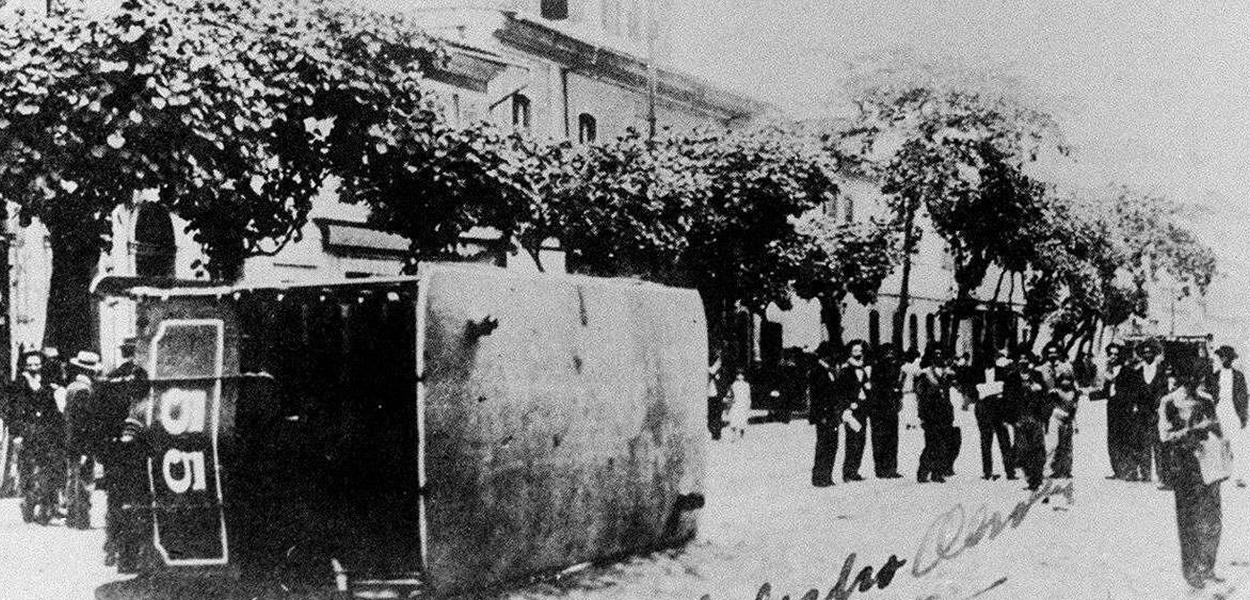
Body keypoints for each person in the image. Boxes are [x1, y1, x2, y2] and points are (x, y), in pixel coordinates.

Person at [1158, 359, 1226, 590]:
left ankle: (1207, 566)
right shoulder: (1169, 402)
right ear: (1181, 377)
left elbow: (1218, 431)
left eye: (1200, 377)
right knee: (1188, 521)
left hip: (1207, 466)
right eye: (1192, 376)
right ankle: (1191, 570)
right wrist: (1191, 431)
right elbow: (1165, 436)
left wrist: (1213, 430)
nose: (1196, 381)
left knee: (1212, 519)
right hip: (1183, 468)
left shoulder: (1206, 401)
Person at [96, 337, 149, 566]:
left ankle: (111, 547)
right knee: (135, 500)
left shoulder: (109, 378)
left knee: (115, 500)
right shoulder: (143, 377)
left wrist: (103, 451)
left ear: (123, 352)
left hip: (113, 450)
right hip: (135, 449)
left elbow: (98, 418)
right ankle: (131, 553)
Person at [5, 350, 66, 525]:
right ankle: (28, 505)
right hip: (27, 433)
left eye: (36, 364)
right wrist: (16, 434)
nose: (33, 367)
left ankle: (45, 510)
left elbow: (52, 407)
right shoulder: (18, 385)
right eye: (30, 364)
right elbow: (13, 411)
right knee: (27, 470)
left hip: (46, 434)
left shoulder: (47, 383)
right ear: (25, 366)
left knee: (47, 471)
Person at [63, 350, 103, 530]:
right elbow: (83, 422)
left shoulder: (71, 387)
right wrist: (87, 449)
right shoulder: (85, 391)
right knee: (84, 481)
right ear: (90, 371)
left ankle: (72, 517)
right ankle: (82, 519)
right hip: (81, 443)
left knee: (72, 478)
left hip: (71, 441)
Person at [1099, 341, 1145, 480]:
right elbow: (1105, 392)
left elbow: (1135, 390)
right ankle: (1118, 470)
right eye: (1110, 354)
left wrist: (1134, 405)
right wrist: (1086, 394)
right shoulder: (1108, 371)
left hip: (1125, 408)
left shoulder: (1128, 370)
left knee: (1126, 438)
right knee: (1113, 438)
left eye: (1115, 354)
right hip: (1112, 407)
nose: (1112, 357)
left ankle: (1130, 471)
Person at [1205, 345, 1248, 488]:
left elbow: (1243, 398)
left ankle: (1238, 476)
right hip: (1219, 409)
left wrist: (1243, 416)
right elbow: (1209, 395)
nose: (1222, 360)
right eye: (1220, 357)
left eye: (1224, 357)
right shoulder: (1215, 375)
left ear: (1229, 359)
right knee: (1219, 441)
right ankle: (1221, 474)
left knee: (1236, 443)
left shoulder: (1238, 376)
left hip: (1233, 410)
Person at [974, 349, 1017, 480]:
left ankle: (1010, 472)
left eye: (990, 359)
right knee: (986, 441)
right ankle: (987, 472)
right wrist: (994, 389)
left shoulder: (1001, 372)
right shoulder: (978, 373)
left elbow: (1005, 390)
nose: (988, 362)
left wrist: (986, 390)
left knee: (1004, 441)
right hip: (984, 409)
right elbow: (976, 391)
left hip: (999, 409)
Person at [916, 347, 955, 483]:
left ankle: (937, 472)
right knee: (931, 445)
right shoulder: (925, 375)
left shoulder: (946, 374)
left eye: (940, 355)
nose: (939, 358)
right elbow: (921, 397)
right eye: (935, 355)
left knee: (942, 445)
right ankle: (923, 472)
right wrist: (922, 416)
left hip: (944, 414)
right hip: (930, 415)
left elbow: (948, 395)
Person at [835, 340, 872, 482]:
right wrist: (848, 406)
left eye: (860, 351)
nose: (858, 354)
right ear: (850, 353)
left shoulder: (863, 369)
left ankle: (855, 469)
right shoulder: (845, 371)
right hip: (851, 410)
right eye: (855, 352)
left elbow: (867, 387)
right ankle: (848, 472)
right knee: (852, 441)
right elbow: (841, 391)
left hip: (862, 409)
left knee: (861, 440)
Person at [809, 343, 843, 487]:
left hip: (832, 414)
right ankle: (820, 477)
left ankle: (827, 475)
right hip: (824, 414)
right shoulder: (818, 371)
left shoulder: (830, 370)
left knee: (832, 444)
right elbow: (817, 396)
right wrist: (821, 414)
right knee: (824, 445)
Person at [1136, 340, 1169, 486]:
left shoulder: (1162, 371)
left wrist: (1158, 406)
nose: (1147, 355)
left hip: (1157, 412)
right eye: (1144, 353)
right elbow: (1135, 392)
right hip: (1142, 412)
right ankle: (1145, 474)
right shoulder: (1138, 371)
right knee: (1143, 442)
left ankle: (1161, 475)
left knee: (1158, 444)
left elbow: (1164, 390)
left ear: (1155, 354)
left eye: (1150, 352)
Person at [868, 344, 903, 479]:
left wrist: (897, 395)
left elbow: (896, 387)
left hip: (890, 408)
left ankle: (891, 468)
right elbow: (877, 388)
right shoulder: (877, 369)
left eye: (892, 353)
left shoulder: (894, 368)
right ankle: (882, 469)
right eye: (888, 353)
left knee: (892, 439)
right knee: (880, 439)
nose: (890, 356)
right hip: (880, 409)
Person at [1014, 368, 1051, 491]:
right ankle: (1031, 479)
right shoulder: (1017, 389)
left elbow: (1045, 404)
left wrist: (1043, 421)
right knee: (1024, 452)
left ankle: (1037, 479)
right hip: (1022, 422)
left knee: (1037, 450)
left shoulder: (1039, 389)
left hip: (1035, 422)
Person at [1048, 372, 1078, 479]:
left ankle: (1066, 469)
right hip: (1057, 420)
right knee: (1057, 445)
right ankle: (1056, 469)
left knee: (1067, 446)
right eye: (1063, 380)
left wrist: (1075, 424)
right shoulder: (1055, 392)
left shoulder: (1073, 393)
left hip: (1067, 421)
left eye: (1068, 380)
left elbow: (1073, 408)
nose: (1065, 382)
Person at [726, 370, 751, 440]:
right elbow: (730, 394)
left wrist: (748, 404)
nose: (740, 376)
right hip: (736, 403)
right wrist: (729, 403)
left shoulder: (746, 385)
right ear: (736, 376)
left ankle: (742, 435)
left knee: (743, 419)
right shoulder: (734, 384)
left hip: (743, 403)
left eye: (742, 374)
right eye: (738, 374)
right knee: (734, 419)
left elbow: (748, 396)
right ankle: (733, 435)